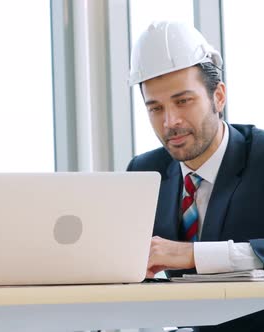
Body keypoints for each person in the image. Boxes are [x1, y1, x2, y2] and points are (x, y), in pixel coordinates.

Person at [127, 21, 264, 331]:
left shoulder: (260, 156)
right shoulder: (144, 172)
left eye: (183, 101)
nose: (170, 122)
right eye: (155, 108)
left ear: (218, 96)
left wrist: (193, 254)